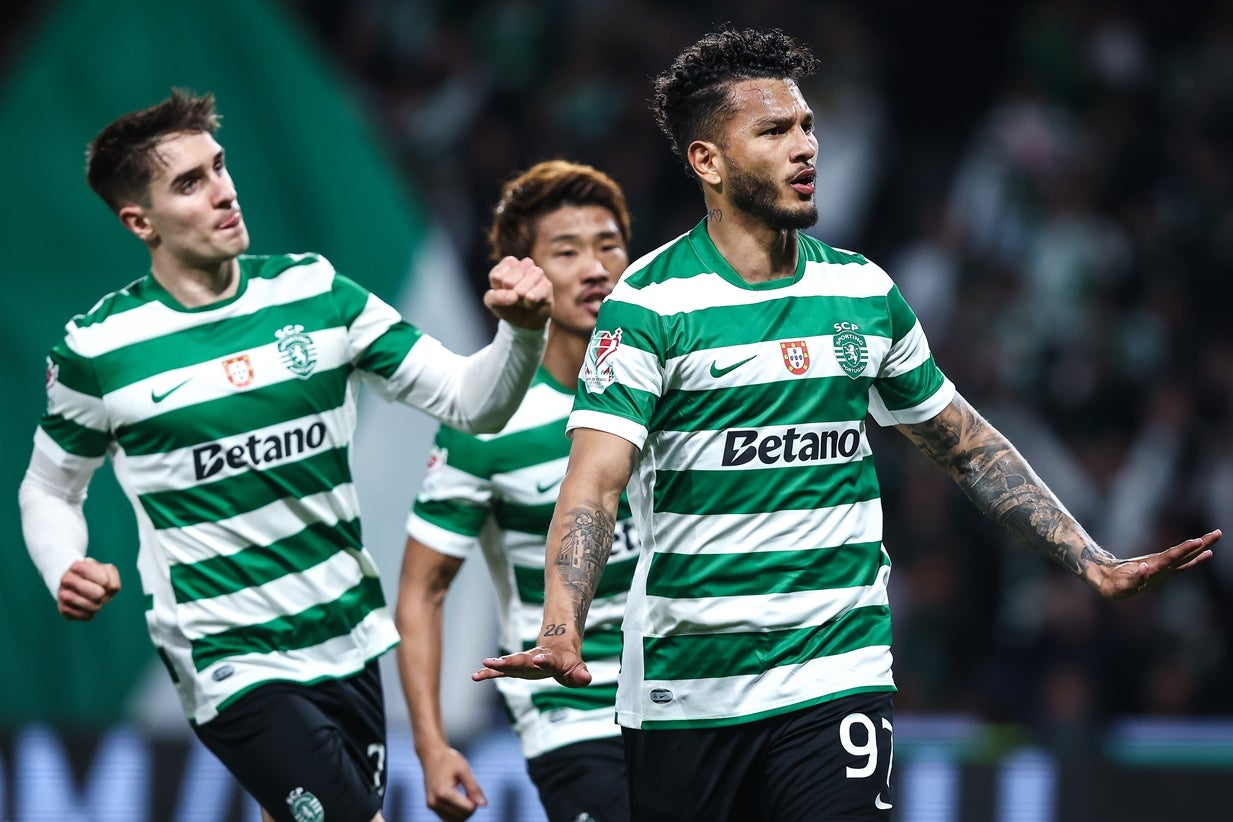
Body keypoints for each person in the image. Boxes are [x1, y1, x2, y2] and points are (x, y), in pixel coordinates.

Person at [474, 28, 1222, 821]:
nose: (804, 147)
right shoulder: (649, 305)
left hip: (835, 675)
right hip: (687, 691)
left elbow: (966, 446)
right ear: (706, 162)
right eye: (773, 131)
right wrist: (563, 625)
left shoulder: (862, 291)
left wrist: (1090, 559)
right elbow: (595, 483)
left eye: (806, 125)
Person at [17, 89, 552, 822]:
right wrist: (63, 564)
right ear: (140, 222)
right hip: (228, 659)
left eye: (219, 166)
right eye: (189, 183)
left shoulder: (317, 294)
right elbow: (49, 488)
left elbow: (471, 402)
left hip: (345, 637)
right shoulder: (100, 349)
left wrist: (522, 333)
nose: (223, 191)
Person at [396, 160, 637, 822]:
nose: (596, 269)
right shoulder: (486, 424)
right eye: (567, 252)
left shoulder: (677, 391)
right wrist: (431, 745)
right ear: (523, 274)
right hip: (575, 721)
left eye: (609, 246)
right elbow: (421, 592)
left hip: (698, 703)